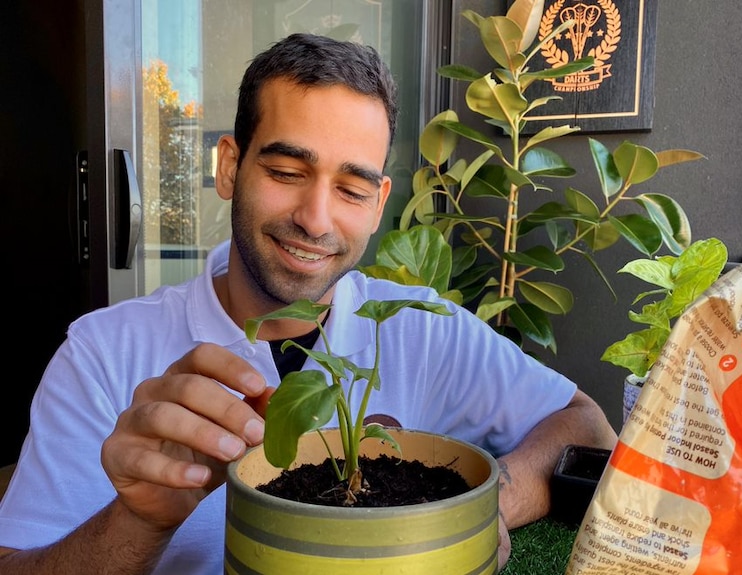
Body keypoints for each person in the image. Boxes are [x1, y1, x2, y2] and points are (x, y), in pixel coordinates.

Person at [0, 33, 617, 574]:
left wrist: (476, 513)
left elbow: (585, 425)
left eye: (351, 188)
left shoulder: (420, 327)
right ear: (229, 166)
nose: (315, 219)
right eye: (288, 172)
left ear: (379, 206)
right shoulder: (103, 353)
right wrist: (139, 521)